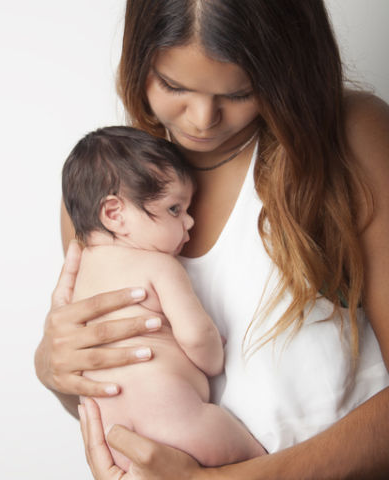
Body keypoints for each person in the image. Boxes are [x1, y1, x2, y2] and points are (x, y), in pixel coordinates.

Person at [35, 0, 389, 478]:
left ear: (287, 69)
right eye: (174, 85)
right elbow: (127, 391)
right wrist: (55, 369)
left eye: (241, 92)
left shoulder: (348, 140)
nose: (202, 119)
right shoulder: (105, 192)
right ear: (139, 59)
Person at [62, 126, 265, 471]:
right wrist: (214, 353)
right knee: (260, 462)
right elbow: (197, 337)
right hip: (184, 426)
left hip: (117, 447)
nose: (189, 221)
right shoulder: (159, 265)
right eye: (174, 209)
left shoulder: (78, 273)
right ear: (114, 213)